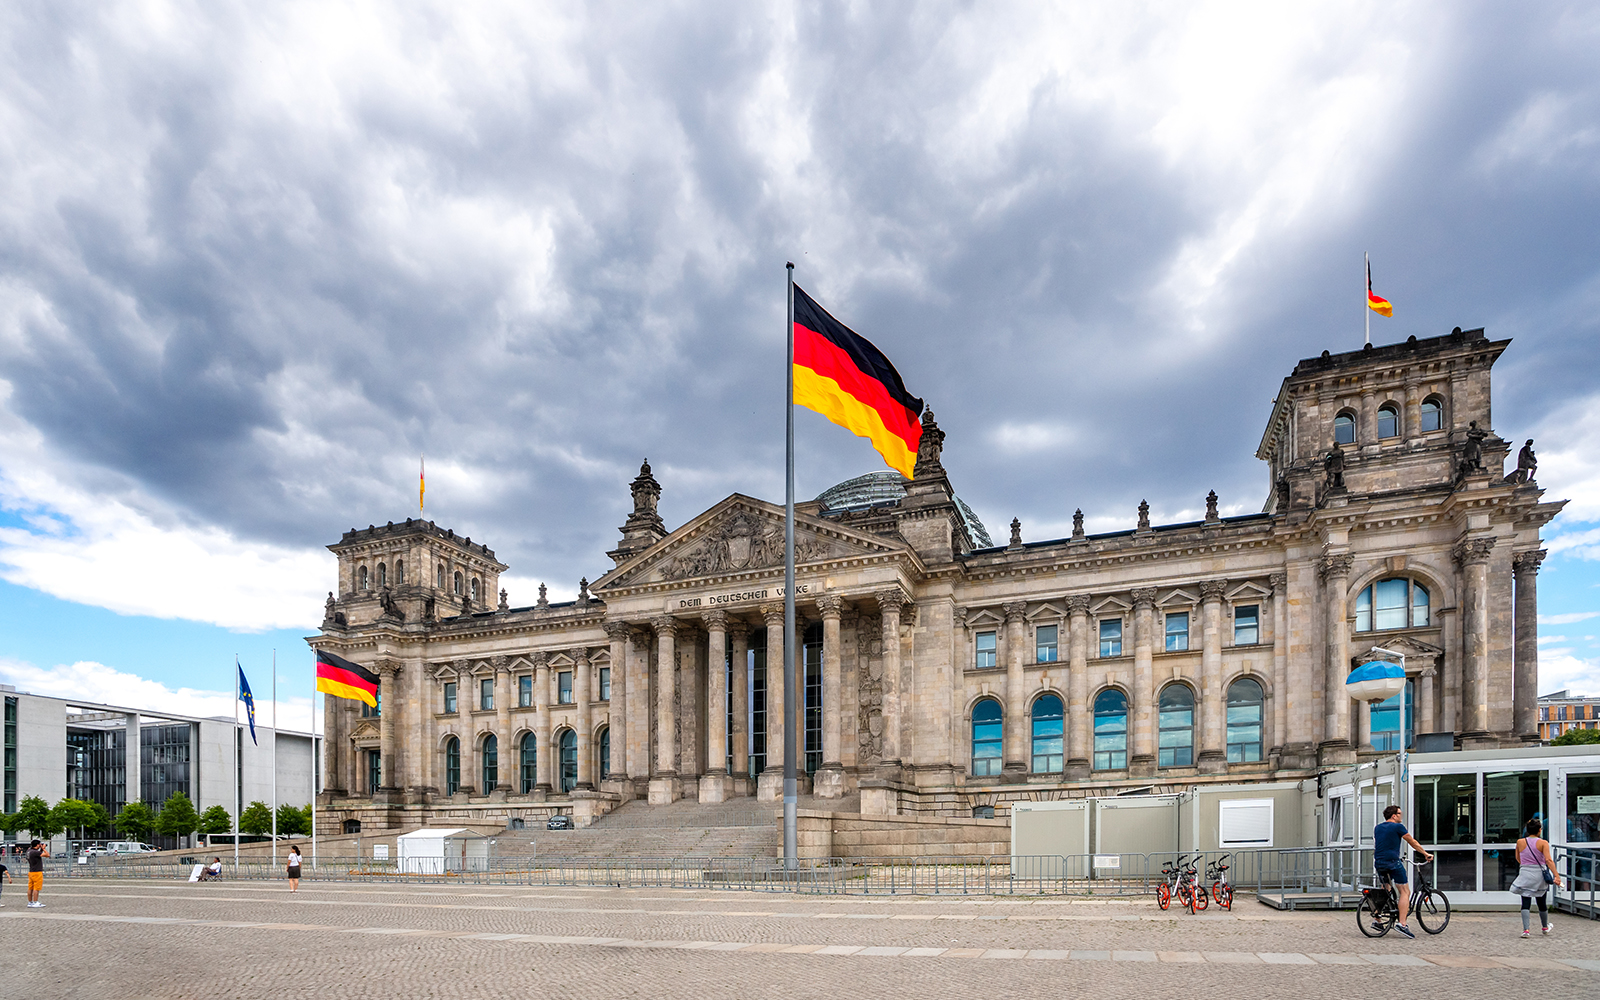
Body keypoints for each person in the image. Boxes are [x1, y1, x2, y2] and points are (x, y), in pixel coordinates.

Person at [1373, 804, 1432, 938]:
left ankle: (1377, 919)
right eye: (1400, 813)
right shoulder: (1398, 827)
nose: (1402, 816)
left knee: (1385, 889)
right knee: (1405, 891)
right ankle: (1402, 924)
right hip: (1392, 862)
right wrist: (1425, 854)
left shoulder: (1378, 827)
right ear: (1394, 816)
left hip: (1379, 862)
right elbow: (1412, 842)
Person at [1511, 818, 1561, 937]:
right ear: (1539, 830)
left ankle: (1526, 930)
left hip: (1525, 873)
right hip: (1539, 874)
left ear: (1527, 830)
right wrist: (1556, 875)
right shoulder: (1543, 843)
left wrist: (1526, 865)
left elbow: (1518, 858)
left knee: (1525, 901)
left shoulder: (1520, 842)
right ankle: (1544, 927)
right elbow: (1548, 860)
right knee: (1541, 901)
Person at [26, 838, 49, 908]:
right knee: (36, 888)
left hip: (31, 872)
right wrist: (43, 849)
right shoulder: (35, 852)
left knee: (30, 888)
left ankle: (30, 902)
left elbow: (38, 854)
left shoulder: (29, 851)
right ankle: (35, 902)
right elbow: (47, 855)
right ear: (37, 845)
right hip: (37, 872)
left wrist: (41, 849)